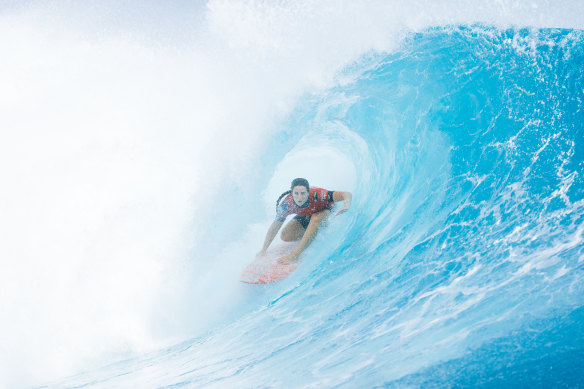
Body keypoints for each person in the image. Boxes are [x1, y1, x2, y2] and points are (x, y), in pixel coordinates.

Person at [258, 178, 352, 265]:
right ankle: (311, 235)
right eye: (296, 193)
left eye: (303, 193)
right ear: (291, 193)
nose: (299, 197)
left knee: (315, 218)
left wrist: (346, 205)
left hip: (326, 210)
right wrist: (264, 249)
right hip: (308, 214)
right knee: (285, 236)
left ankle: (295, 255)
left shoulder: (318, 195)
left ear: (308, 192)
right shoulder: (286, 205)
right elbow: (275, 227)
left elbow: (346, 194)